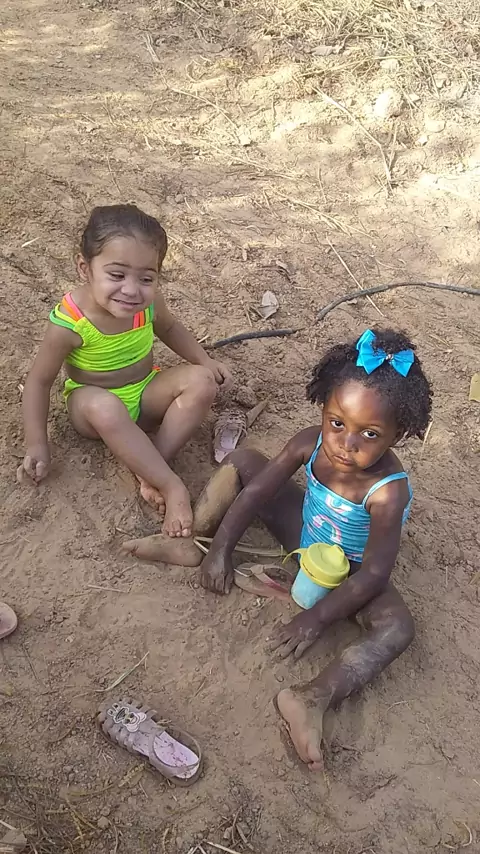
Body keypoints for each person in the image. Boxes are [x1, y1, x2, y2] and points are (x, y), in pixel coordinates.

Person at [199, 328, 432, 770]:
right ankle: (198, 539)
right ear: (323, 407)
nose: (346, 443)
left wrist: (316, 618)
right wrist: (221, 550)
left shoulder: (388, 491)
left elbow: (375, 575)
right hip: (304, 534)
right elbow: (257, 492)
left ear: (397, 434)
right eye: (337, 422)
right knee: (246, 462)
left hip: (350, 570)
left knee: (398, 628)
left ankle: (313, 696)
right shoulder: (311, 443)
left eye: (369, 434)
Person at [19, 204, 232, 538]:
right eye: (117, 275)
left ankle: (151, 466)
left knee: (202, 382)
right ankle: (170, 484)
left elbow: (170, 328)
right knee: (103, 405)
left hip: (145, 392)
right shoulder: (70, 322)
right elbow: (39, 381)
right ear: (84, 268)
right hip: (93, 409)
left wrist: (204, 361)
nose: (132, 290)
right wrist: (36, 443)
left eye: (146, 278)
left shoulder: (149, 303)